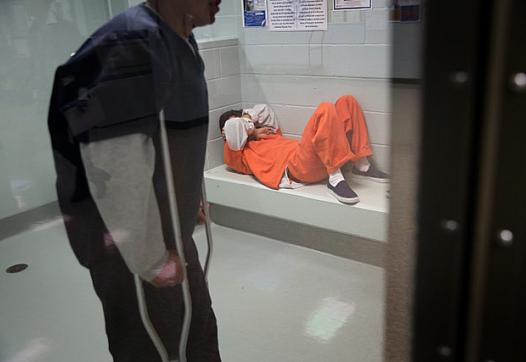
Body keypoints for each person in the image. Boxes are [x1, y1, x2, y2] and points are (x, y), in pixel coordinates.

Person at [47, 1, 222, 361]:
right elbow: (113, 163)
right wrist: (150, 259)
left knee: (198, 332)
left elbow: (169, 133)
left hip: (162, 222)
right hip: (126, 239)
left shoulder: (178, 38)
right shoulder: (130, 46)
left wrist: (188, 196)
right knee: (152, 345)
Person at [219, 95, 388, 204]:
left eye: (246, 121)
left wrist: (250, 122)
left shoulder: (267, 132)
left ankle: (361, 165)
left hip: (311, 157)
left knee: (347, 102)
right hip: (296, 168)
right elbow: (233, 127)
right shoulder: (235, 151)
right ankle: (334, 178)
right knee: (326, 108)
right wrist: (253, 130)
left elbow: (264, 109)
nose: (246, 125)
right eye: (244, 123)